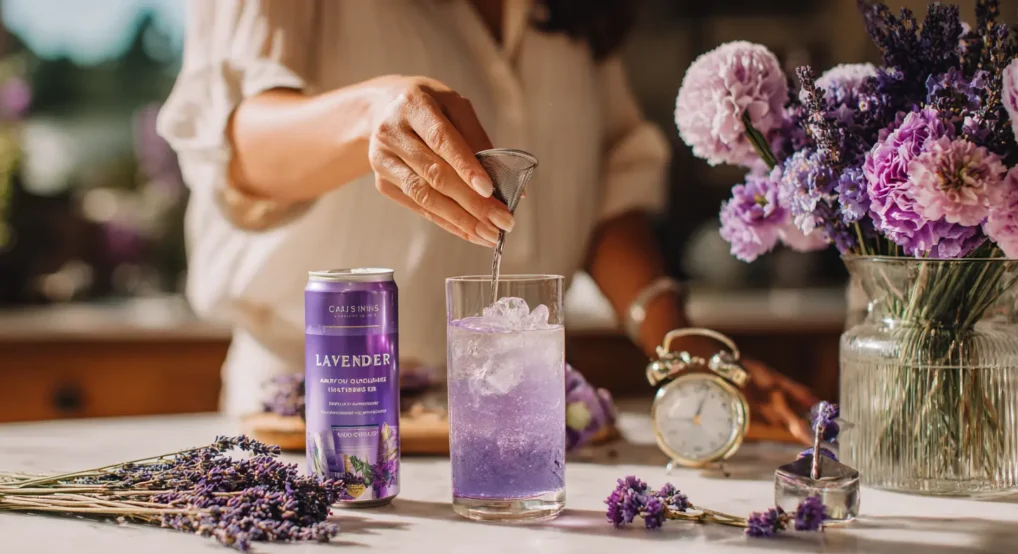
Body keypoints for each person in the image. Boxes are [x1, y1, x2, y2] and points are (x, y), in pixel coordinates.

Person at [157, 0, 816, 442]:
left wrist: (682, 352)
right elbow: (233, 144)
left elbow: (607, 185)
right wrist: (369, 116)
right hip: (318, 429)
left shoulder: (570, 10)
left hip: (515, 431)